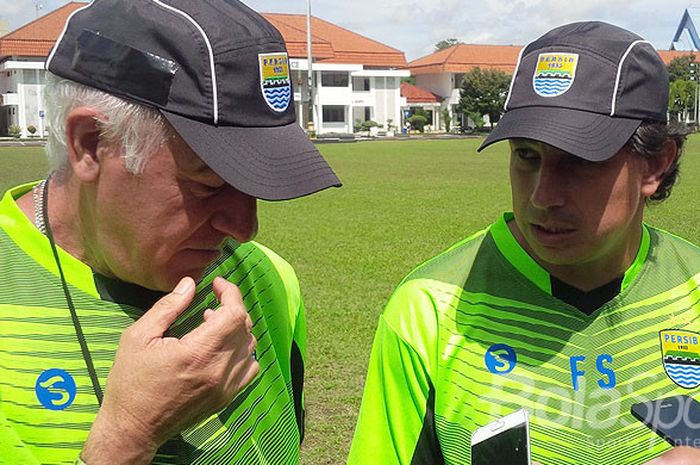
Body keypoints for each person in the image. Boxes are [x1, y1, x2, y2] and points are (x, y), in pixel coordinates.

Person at [0, 1, 341, 464]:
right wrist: (129, 435)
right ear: (90, 144)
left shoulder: (267, 277)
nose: (244, 229)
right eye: (209, 183)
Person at [348, 21, 700, 465]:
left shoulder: (694, 288)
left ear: (655, 166)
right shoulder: (429, 310)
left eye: (580, 161)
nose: (542, 196)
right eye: (526, 156)